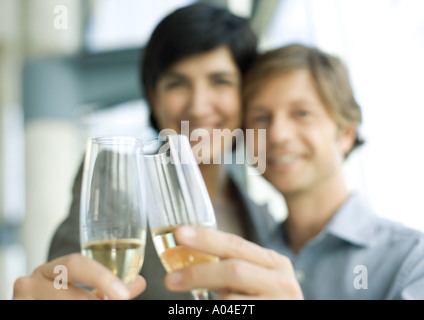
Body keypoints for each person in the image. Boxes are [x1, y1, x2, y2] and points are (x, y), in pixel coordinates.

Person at [13, 3, 289, 300]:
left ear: (245, 94)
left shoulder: (263, 218)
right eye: (177, 84)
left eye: (220, 81)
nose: (198, 105)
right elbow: (75, 284)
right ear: (152, 97)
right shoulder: (117, 179)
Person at [158, 43, 424, 299]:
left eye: (301, 113)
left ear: (346, 133)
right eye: (261, 118)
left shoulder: (413, 262)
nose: (277, 134)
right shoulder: (243, 254)